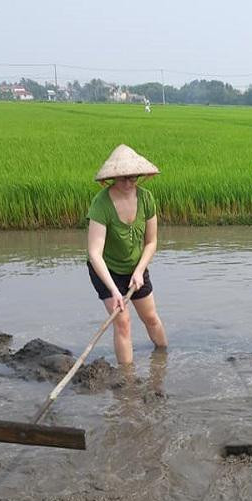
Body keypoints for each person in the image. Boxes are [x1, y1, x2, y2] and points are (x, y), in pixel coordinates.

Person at [87, 144, 168, 365]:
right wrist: (114, 291)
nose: (128, 183)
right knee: (123, 322)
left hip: (135, 268)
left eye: (133, 178)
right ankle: (128, 381)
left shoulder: (146, 198)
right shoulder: (101, 204)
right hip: (106, 270)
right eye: (123, 178)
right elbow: (95, 253)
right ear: (113, 178)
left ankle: (163, 360)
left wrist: (140, 271)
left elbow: (151, 242)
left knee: (150, 317)